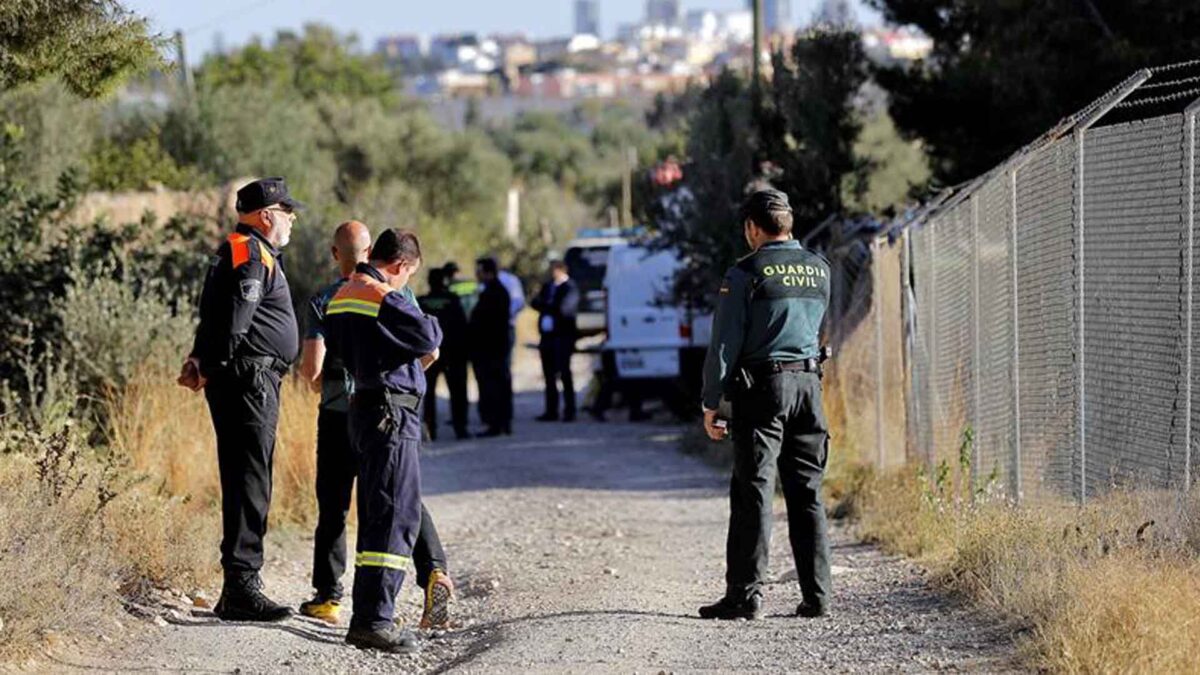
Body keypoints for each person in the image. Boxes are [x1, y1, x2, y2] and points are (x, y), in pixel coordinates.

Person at [296, 221, 454, 631]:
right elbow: (430, 347)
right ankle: (432, 570)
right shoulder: (390, 294)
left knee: (336, 506)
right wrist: (399, 371)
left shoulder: (330, 297)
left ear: (336, 254)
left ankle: (328, 597)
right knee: (397, 500)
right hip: (389, 407)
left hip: (342, 409)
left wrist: (337, 384)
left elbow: (311, 369)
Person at [698, 188, 832, 621]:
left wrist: (711, 402)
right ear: (788, 224)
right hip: (810, 387)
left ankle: (744, 596)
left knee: (754, 490)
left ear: (753, 228)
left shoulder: (745, 273)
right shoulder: (819, 270)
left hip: (763, 391)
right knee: (807, 491)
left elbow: (724, 343)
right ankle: (818, 597)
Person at [177, 177, 301, 622]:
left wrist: (202, 358)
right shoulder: (251, 252)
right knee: (251, 479)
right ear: (267, 216)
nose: (292, 221)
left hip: (245, 377)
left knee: (246, 476)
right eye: (288, 213)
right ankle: (242, 586)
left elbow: (215, 313)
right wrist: (212, 362)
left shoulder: (242, 249)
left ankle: (238, 585)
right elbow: (235, 319)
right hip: (250, 379)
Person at [417, 268, 470, 441]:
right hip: (453, 354)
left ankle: (430, 429)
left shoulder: (422, 302)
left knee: (429, 393)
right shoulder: (453, 300)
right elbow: (462, 326)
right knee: (458, 393)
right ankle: (460, 428)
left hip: (429, 354)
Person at [531, 260, 580, 422]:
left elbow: (565, 309)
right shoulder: (548, 287)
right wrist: (548, 305)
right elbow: (535, 302)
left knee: (565, 374)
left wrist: (548, 306)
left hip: (563, 337)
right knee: (549, 376)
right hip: (547, 337)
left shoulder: (570, 288)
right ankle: (551, 410)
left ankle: (569, 410)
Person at [469, 257, 512, 437]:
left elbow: (485, 323)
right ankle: (502, 422)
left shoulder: (494, 293)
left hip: (490, 349)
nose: (477, 275)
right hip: (495, 348)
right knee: (499, 384)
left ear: (488, 272)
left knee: (492, 386)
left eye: (479, 272)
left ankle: (495, 423)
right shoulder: (495, 291)